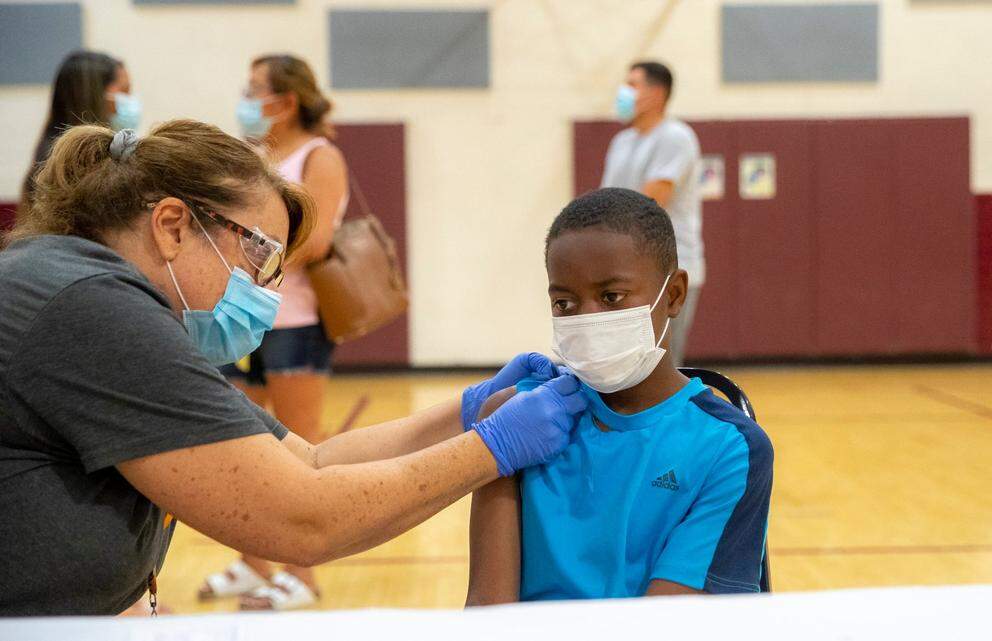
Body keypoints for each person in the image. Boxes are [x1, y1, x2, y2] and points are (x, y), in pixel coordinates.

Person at [0, 120, 586, 616]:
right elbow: (303, 520)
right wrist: (494, 448)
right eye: (261, 253)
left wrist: (467, 413)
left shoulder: (81, 285)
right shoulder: (96, 311)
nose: (266, 287)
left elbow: (310, 460)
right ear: (173, 225)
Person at [466, 188, 773, 603]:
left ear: (675, 295)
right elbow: (489, 616)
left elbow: (667, 624)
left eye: (611, 297)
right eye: (564, 303)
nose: (587, 319)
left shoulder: (729, 446)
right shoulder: (513, 419)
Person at [198, 53, 348, 611]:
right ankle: (254, 562)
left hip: (297, 320)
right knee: (247, 445)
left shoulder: (320, 155)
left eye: (255, 88)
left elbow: (319, 239)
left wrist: (249, 264)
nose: (246, 96)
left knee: (298, 449)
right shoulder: (255, 155)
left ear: (286, 101)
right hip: (246, 316)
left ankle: (302, 574)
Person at [601, 61, 703, 366]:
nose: (624, 91)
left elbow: (650, 202)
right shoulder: (622, 141)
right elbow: (605, 203)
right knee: (626, 366)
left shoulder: (675, 137)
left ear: (657, 93)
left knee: (662, 364)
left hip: (668, 265)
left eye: (632, 85)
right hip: (624, 267)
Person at [19, 50, 140, 214]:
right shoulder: (74, 167)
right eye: (124, 92)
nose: (130, 101)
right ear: (96, 96)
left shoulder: (50, 154)